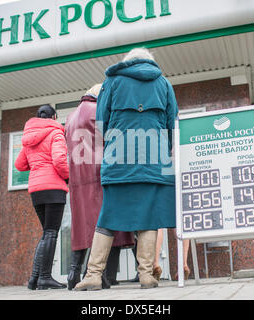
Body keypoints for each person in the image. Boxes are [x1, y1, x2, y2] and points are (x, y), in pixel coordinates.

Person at [75, 48, 179, 291]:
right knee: (149, 215)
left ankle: (93, 275)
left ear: (126, 62)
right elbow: (171, 123)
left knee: (109, 214)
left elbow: (101, 122)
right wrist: (164, 150)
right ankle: (145, 275)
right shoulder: (164, 83)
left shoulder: (111, 82)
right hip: (154, 158)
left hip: (118, 157)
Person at [65, 84, 134, 290]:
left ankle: (73, 274)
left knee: (82, 226)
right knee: (106, 223)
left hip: (77, 178)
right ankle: (105, 275)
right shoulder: (99, 111)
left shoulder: (69, 118)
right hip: (99, 174)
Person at [15, 104, 69, 290]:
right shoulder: (56, 133)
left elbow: (20, 164)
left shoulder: (29, 138)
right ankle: (45, 277)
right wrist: (68, 177)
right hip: (54, 187)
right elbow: (60, 160)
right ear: (54, 117)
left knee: (46, 232)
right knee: (51, 232)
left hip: (36, 189)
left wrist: (37, 163)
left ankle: (34, 278)